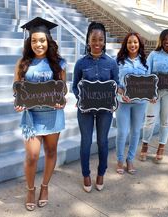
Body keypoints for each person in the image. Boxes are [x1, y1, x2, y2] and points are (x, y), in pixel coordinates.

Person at [13, 17, 67, 211]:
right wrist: (18, 104)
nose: (38, 44)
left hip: (53, 115)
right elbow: (17, 90)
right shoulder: (23, 63)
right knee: (32, 156)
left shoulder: (58, 63)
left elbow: (63, 90)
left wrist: (62, 101)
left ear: (49, 41)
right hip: (32, 117)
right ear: (30, 42)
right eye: (34, 40)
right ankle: (30, 189)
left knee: (51, 152)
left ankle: (45, 187)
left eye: (42, 40)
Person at [72, 22, 119, 192]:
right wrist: (80, 97)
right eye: (94, 39)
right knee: (86, 141)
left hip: (105, 110)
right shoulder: (81, 63)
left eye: (101, 39)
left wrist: (115, 97)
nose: (97, 42)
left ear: (105, 41)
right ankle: (86, 174)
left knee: (102, 141)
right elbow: (74, 86)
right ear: (88, 41)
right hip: (85, 109)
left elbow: (116, 84)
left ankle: (101, 173)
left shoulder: (112, 63)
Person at [139, 29, 168, 163]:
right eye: (165, 39)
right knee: (150, 120)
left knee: (166, 121)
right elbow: (147, 73)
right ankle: (145, 145)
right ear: (161, 40)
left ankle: (161, 147)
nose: (167, 41)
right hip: (155, 93)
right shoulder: (154, 54)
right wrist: (148, 92)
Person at [115, 32, 148, 174]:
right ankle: (120, 160)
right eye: (129, 42)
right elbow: (114, 82)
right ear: (125, 44)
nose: (132, 45)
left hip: (140, 103)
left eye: (135, 42)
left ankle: (130, 160)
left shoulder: (145, 62)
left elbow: (150, 82)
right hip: (123, 102)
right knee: (122, 132)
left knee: (135, 132)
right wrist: (120, 91)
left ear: (139, 44)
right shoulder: (119, 61)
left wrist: (151, 95)